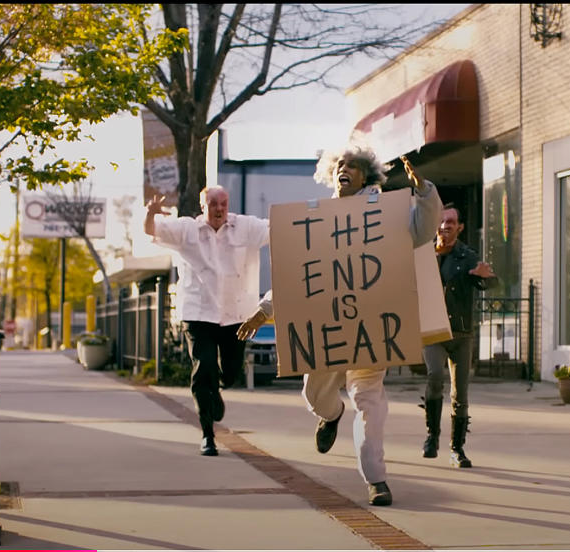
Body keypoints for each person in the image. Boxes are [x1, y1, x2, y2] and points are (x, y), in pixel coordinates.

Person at [238, 145, 442, 506]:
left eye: (352, 166)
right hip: (326, 333)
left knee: (371, 406)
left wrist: (424, 193)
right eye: (340, 165)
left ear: (366, 175)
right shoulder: (317, 218)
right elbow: (297, 274)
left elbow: (424, 231)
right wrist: (265, 309)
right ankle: (330, 415)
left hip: (372, 330)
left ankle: (376, 480)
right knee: (315, 396)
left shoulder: (386, 213)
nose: (343, 169)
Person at [145, 186, 269, 456]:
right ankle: (207, 435)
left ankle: (219, 387)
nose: (219, 209)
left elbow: (280, 227)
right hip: (198, 313)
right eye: (213, 204)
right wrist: (150, 214)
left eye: (223, 203)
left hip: (236, 315)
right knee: (203, 369)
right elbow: (152, 230)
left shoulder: (245, 227)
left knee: (231, 372)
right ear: (203, 206)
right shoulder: (187, 230)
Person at [420, 203, 497, 468]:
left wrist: (484, 277)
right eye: (442, 221)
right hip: (433, 331)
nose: (445, 226)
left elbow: (488, 280)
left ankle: (457, 449)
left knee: (460, 394)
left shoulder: (467, 255)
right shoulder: (424, 254)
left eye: (451, 222)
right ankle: (432, 435)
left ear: (459, 227)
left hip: (462, 334)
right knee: (434, 376)